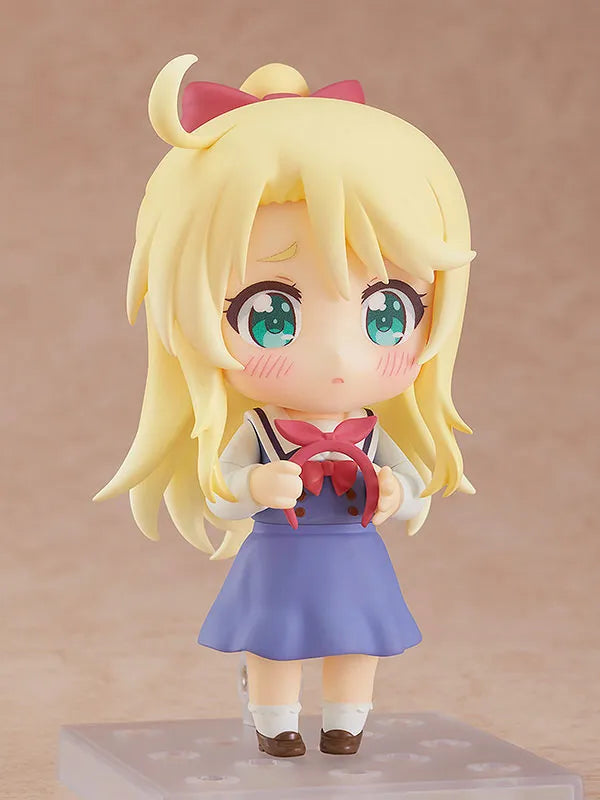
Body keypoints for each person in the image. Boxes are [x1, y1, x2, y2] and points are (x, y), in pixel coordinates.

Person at [95, 55, 476, 758]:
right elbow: (222, 487)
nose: (339, 357)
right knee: (275, 641)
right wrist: (254, 484)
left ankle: (346, 722)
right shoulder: (260, 430)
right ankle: (276, 726)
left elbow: (412, 486)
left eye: (387, 313)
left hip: (355, 555)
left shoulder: (372, 430)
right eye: (270, 316)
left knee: (358, 642)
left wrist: (400, 491)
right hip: (279, 553)